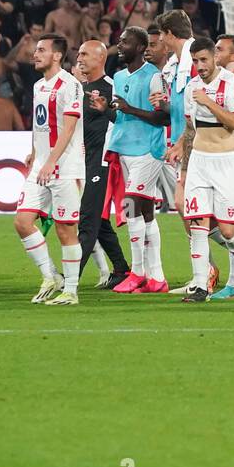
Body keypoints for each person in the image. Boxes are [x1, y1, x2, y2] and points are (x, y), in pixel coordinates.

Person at [176, 38, 234, 302]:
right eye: (195, 61)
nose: (199, 66)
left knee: (227, 230)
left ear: (214, 57)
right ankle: (200, 285)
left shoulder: (233, 85)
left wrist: (209, 102)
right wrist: (185, 165)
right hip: (200, 161)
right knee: (197, 224)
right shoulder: (192, 88)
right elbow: (191, 129)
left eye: (203, 60)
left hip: (226, 162)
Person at [97, 27, 170, 295]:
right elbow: (122, 118)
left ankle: (137, 273)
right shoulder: (117, 77)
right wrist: (108, 112)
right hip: (124, 149)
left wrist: (131, 109)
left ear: (140, 48)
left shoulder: (155, 77)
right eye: (120, 40)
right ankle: (157, 277)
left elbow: (164, 118)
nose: (120, 44)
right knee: (146, 215)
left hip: (148, 151)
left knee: (131, 208)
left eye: (125, 42)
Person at [15, 36, 86, 306]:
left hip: (65, 168)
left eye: (42, 50)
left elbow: (68, 128)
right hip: (41, 166)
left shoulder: (71, 85)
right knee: (22, 222)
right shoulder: (38, 85)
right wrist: (35, 152)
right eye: (36, 50)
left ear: (57, 56)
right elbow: (40, 124)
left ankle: (71, 290)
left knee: (65, 229)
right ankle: (50, 276)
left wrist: (51, 161)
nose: (36, 54)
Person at [75, 39, 132, 289]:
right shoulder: (81, 88)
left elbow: (125, 121)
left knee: (87, 220)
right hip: (83, 162)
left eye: (85, 54)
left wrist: (106, 110)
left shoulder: (112, 87)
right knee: (97, 219)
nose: (80, 58)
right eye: (79, 53)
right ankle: (121, 269)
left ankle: (69, 279)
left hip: (103, 163)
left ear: (100, 58)